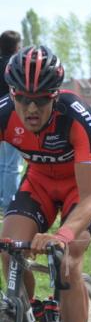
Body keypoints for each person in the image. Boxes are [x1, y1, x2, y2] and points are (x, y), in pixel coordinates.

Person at [0, 45, 91, 322]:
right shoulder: (4, 114)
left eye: (41, 100)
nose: (31, 108)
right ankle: (31, 320)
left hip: (81, 186)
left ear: (54, 96)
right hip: (41, 183)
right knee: (8, 246)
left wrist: (61, 235)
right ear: (12, 94)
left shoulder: (74, 115)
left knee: (67, 259)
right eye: (23, 99)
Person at [0, 30, 22, 215]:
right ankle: (9, 203)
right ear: (17, 46)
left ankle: (2, 199)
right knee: (13, 164)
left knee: (2, 162)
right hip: (10, 118)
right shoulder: (14, 65)